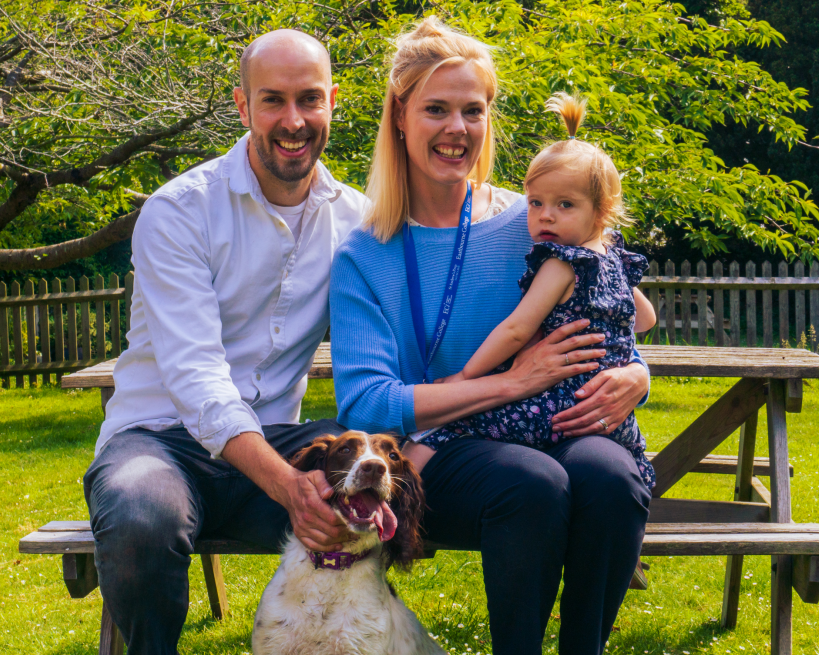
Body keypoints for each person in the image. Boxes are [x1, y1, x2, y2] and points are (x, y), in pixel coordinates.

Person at [329, 17, 652, 655]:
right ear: (400, 116)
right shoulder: (364, 255)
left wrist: (637, 376)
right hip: (440, 452)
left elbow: (614, 313)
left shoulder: (536, 218)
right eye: (437, 110)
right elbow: (366, 405)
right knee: (533, 484)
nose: (457, 130)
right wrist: (509, 381)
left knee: (611, 480)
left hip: (555, 421)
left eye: (472, 111)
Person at [83, 30, 368, 654]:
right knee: (141, 517)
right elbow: (196, 377)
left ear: (332, 103)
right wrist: (289, 485)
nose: (292, 122)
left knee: (370, 478)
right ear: (242, 106)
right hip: (160, 440)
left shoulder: (357, 220)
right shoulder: (180, 211)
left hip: (273, 438)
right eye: (273, 101)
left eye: (309, 100)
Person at [421, 92, 659, 490]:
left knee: (444, 429)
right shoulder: (613, 256)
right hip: (607, 413)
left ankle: (402, 505)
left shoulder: (562, 263)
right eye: (535, 202)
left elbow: (516, 330)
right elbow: (646, 319)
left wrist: (464, 377)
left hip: (553, 405)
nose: (545, 215)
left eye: (565, 204)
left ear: (601, 212)